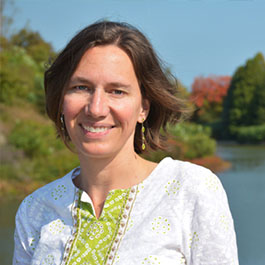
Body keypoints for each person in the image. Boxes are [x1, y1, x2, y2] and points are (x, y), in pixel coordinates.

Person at [13, 21, 238, 265]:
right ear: (60, 102)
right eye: (81, 87)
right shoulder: (35, 209)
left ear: (143, 108)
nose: (96, 108)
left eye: (117, 91)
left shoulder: (191, 190)